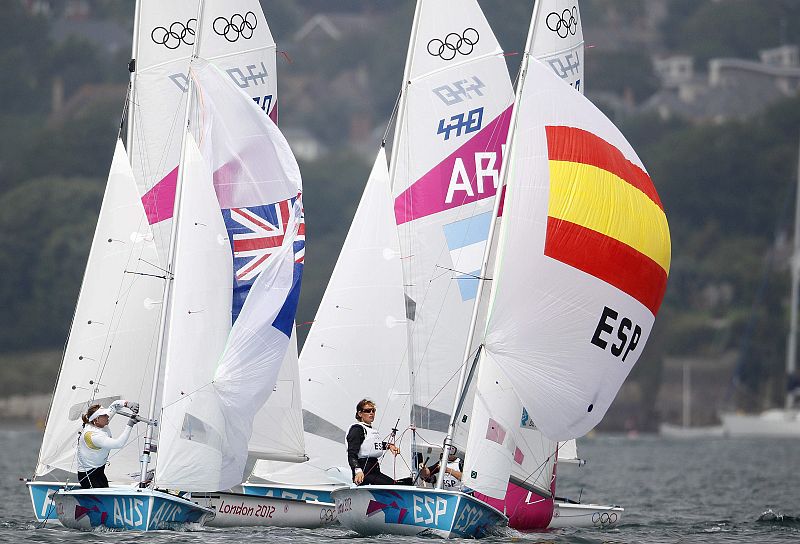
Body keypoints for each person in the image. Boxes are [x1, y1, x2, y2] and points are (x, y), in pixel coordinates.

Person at [76, 400, 140, 489]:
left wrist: (127, 404)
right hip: (89, 475)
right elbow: (119, 444)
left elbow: (114, 406)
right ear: (96, 419)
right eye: (104, 415)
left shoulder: (101, 423)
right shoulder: (93, 435)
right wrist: (130, 424)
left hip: (99, 470)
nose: (107, 416)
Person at [346, 399, 401, 486]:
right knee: (394, 486)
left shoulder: (370, 429)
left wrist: (389, 445)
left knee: (398, 483)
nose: (371, 413)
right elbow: (351, 453)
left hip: (375, 470)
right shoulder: (357, 429)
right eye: (367, 411)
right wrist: (358, 471)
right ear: (360, 414)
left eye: (373, 410)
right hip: (364, 472)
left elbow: (373, 445)